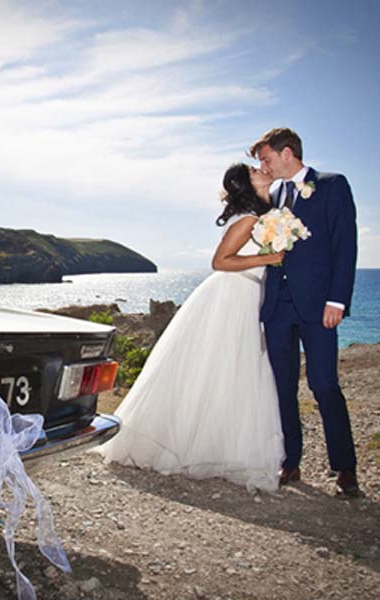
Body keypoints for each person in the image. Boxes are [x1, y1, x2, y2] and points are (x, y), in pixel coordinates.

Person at [95, 163, 286, 493]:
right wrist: (268, 259)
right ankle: (197, 447)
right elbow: (220, 261)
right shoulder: (248, 220)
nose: (261, 170)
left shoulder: (263, 216)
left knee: (230, 370)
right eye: (254, 171)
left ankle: (219, 445)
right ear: (247, 184)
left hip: (246, 294)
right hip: (231, 293)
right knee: (221, 365)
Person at [249, 127, 359, 496]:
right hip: (279, 307)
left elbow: (345, 246)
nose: (262, 166)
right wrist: (263, 194)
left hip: (318, 307)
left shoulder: (332, 185)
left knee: (324, 384)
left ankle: (345, 467)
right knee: (283, 387)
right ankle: (290, 461)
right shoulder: (273, 195)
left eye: (266, 158)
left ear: (287, 153)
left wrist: (337, 301)